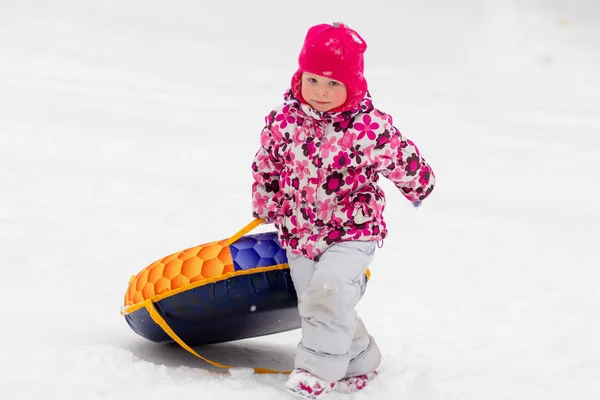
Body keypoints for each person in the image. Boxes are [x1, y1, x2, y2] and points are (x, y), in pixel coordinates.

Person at [251, 22, 435, 399]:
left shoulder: (369, 127)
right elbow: (267, 164)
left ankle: (315, 371)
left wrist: (418, 186)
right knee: (316, 301)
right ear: (300, 76)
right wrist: (267, 202)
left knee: (329, 291)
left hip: (353, 230)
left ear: (353, 85)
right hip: (299, 233)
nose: (321, 91)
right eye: (314, 80)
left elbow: (403, 157)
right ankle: (361, 357)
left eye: (334, 84)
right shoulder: (283, 121)